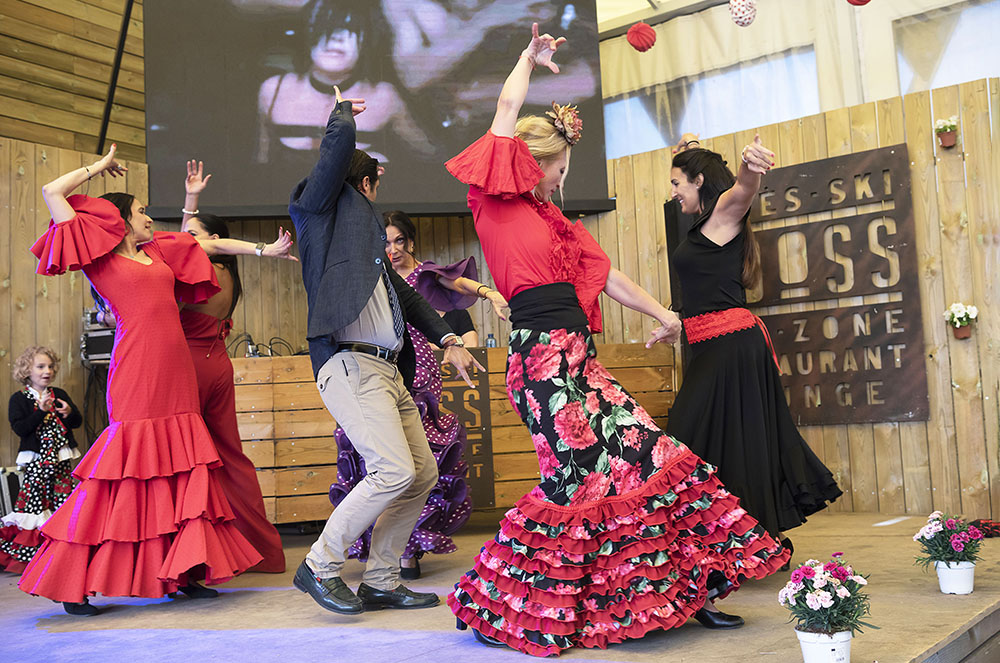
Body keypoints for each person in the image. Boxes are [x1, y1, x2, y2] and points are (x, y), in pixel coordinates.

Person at [444, 24, 790, 655]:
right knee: (578, 482)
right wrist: (527, 59)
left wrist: (668, 315)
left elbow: (610, 279)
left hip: (581, 359)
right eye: (559, 170)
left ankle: (689, 591)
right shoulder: (491, 199)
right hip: (539, 362)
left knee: (653, 456)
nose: (560, 181)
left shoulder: (557, 223)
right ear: (535, 162)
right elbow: (506, 108)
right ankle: (505, 601)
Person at [19, 145, 263, 616]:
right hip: (137, 372)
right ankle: (71, 584)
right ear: (120, 220)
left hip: (176, 374)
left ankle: (184, 571)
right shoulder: (99, 258)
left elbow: (199, 245)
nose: (149, 217)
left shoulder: (156, 251)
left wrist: (261, 249)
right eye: (141, 211)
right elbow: (52, 191)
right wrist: (98, 167)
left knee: (180, 473)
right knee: (121, 478)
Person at [288, 87, 485, 614]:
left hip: (387, 372)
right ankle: (320, 565)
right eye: (374, 187)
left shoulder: (371, 265)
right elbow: (333, 167)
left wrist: (449, 340)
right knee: (392, 470)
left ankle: (380, 578)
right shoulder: (316, 213)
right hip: (349, 364)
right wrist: (340, 118)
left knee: (420, 473)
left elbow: (413, 301)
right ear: (365, 185)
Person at [665, 140, 842, 555]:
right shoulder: (703, 224)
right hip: (711, 348)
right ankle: (740, 540)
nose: (673, 192)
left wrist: (748, 166)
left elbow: (743, 190)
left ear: (699, 181)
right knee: (726, 445)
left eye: (676, 183)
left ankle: (754, 539)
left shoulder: (724, 216)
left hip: (731, 347)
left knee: (693, 438)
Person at [330, 209, 507, 580]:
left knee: (419, 464)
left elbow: (458, 282)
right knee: (382, 462)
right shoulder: (371, 277)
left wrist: (489, 292)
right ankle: (379, 549)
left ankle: (408, 551)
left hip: (421, 375)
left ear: (410, 242)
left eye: (399, 241)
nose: (393, 249)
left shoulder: (423, 275)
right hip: (380, 371)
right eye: (385, 242)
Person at [178, 159, 299, 573]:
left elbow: (184, 249)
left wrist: (264, 249)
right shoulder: (224, 276)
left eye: (194, 235)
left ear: (213, 241)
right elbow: (185, 246)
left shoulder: (199, 270)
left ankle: (199, 556)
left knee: (190, 462)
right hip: (218, 366)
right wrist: (191, 201)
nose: (184, 241)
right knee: (232, 459)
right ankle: (262, 551)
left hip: (191, 370)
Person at [256, 0, 431, 166]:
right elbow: (260, 160)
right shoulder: (273, 90)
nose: (336, 38)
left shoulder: (384, 97)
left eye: (351, 29)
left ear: (367, 40)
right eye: (325, 27)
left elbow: (430, 154)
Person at [1, 347, 82, 573]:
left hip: (60, 460)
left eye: (51, 366)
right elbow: (21, 428)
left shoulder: (59, 394)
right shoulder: (19, 399)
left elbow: (76, 422)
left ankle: (62, 553)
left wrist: (69, 413)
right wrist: (41, 412)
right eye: (41, 367)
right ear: (27, 370)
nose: (48, 371)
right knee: (36, 504)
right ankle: (35, 555)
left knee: (63, 502)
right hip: (37, 462)